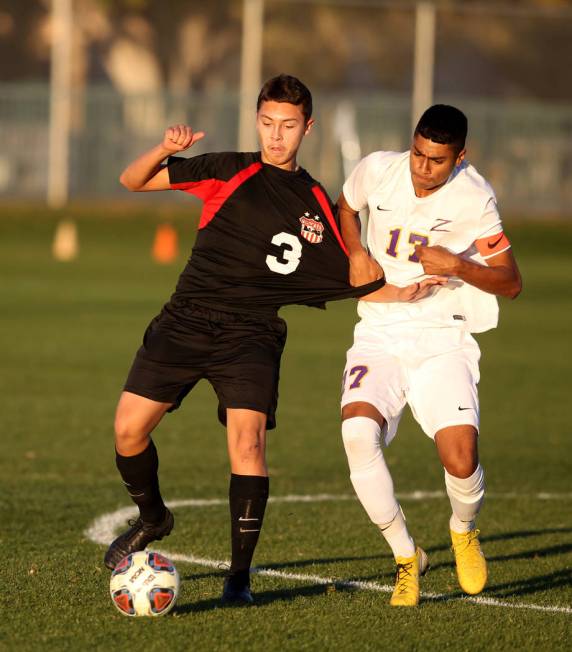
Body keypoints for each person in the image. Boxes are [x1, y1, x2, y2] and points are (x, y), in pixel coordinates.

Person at [104, 74, 434, 605]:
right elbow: (132, 180)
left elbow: (352, 278)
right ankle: (153, 517)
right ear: (256, 119)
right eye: (266, 123)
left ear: (308, 127)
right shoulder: (228, 168)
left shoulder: (312, 201)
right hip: (186, 318)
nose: (275, 135)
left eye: (287, 125)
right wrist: (164, 149)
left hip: (251, 333)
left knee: (249, 444)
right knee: (127, 433)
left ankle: (239, 579)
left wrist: (402, 291)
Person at [338, 104, 522, 607]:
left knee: (461, 459)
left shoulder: (475, 197)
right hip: (379, 330)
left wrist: (460, 265)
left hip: (443, 334)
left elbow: (510, 282)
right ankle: (405, 558)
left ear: (460, 157)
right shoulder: (379, 168)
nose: (422, 167)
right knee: (357, 433)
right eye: (418, 153)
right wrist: (356, 251)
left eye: (436, 160)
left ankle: (463, 530)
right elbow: (345, 206)